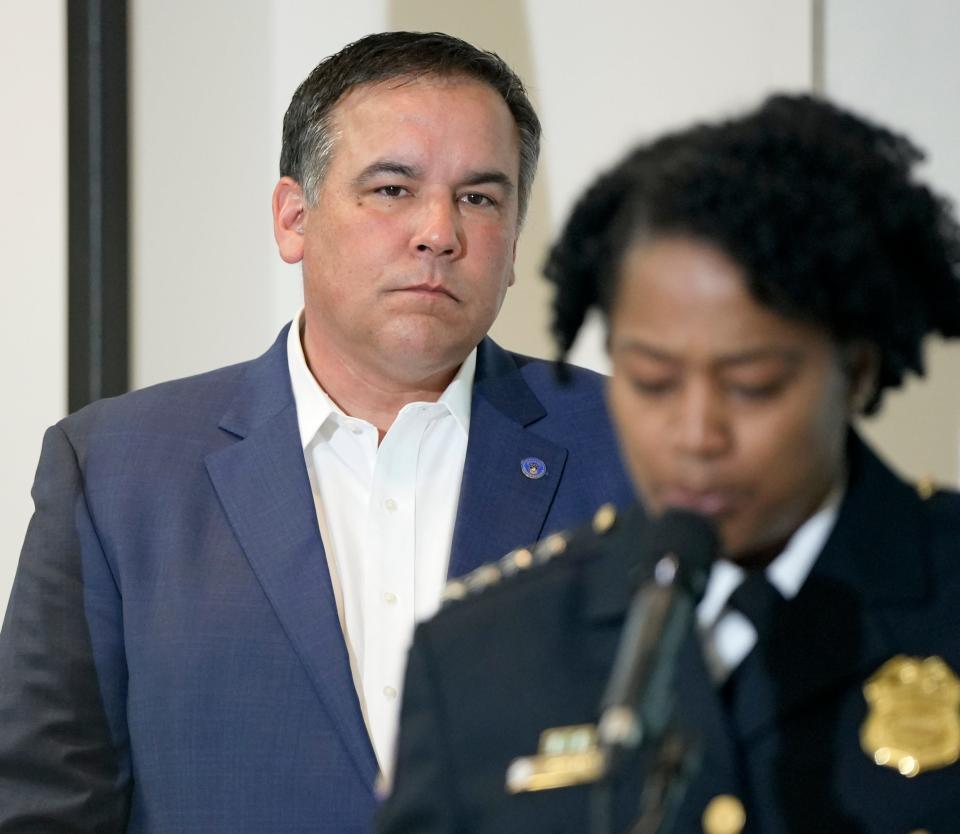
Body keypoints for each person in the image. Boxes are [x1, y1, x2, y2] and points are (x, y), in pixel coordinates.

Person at [0, 32, 633, 834]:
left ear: (512, 247)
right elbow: (43, 805)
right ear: (294, 217)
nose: (439, 232)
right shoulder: (117, 474)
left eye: (480, 197)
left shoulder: (636, 448)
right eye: (393, 189)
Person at [379, 94, 960, 834]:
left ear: (859, 369)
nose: (696, 434)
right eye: (651, 382)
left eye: (752, 386)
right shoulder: (480, 655)